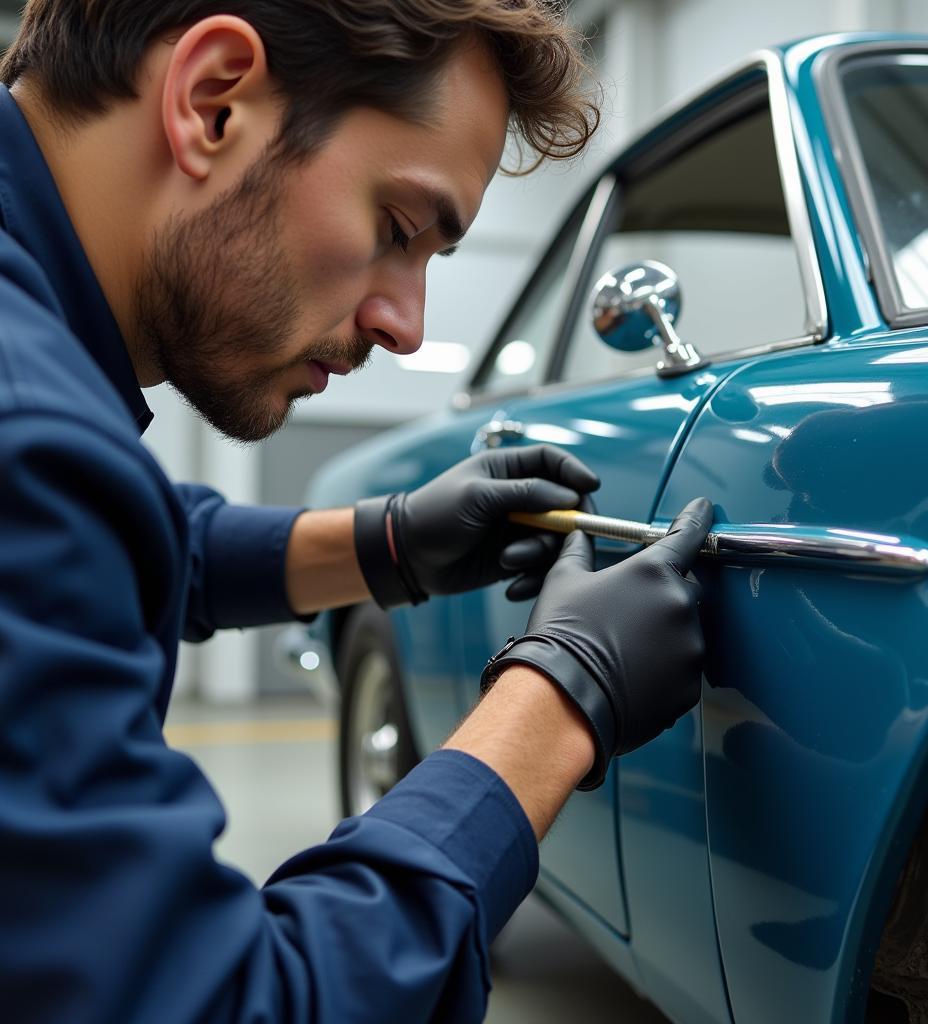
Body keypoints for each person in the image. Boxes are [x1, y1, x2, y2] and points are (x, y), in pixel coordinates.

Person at [0, 2, 711, 1021]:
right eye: (397, 228)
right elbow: (230, 1005)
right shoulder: (28, 436)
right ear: (211, 102)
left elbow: (150, 543)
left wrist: (390, 542)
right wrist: (556, 702)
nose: (407, 325)